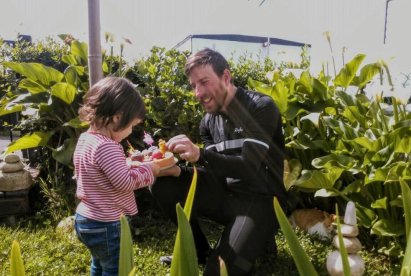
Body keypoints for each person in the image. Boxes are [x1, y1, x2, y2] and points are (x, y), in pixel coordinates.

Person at [150, 48, 288, 275]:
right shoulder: (208, 121)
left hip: (262, 201)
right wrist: (178, 172)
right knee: (163, 184)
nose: (198, 92)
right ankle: (198, 250)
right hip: (227, 196)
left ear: (226, 76)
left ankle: (260, 238)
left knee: (217, 273)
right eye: (194, 85)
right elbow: (216, 172)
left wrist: (201, 155)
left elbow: (248, 168)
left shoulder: (260, 107)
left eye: (204, 82)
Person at [73, 77, 179, 276]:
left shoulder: (86, 139)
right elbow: (125, 182)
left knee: (99, 264)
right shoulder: (108, 146)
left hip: (86, 220)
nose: (130, 131)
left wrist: (130, 163)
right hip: (106, 224)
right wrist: (151, 169)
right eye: (131, 125)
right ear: (117, 118)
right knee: (117, 269)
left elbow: (99, 171)